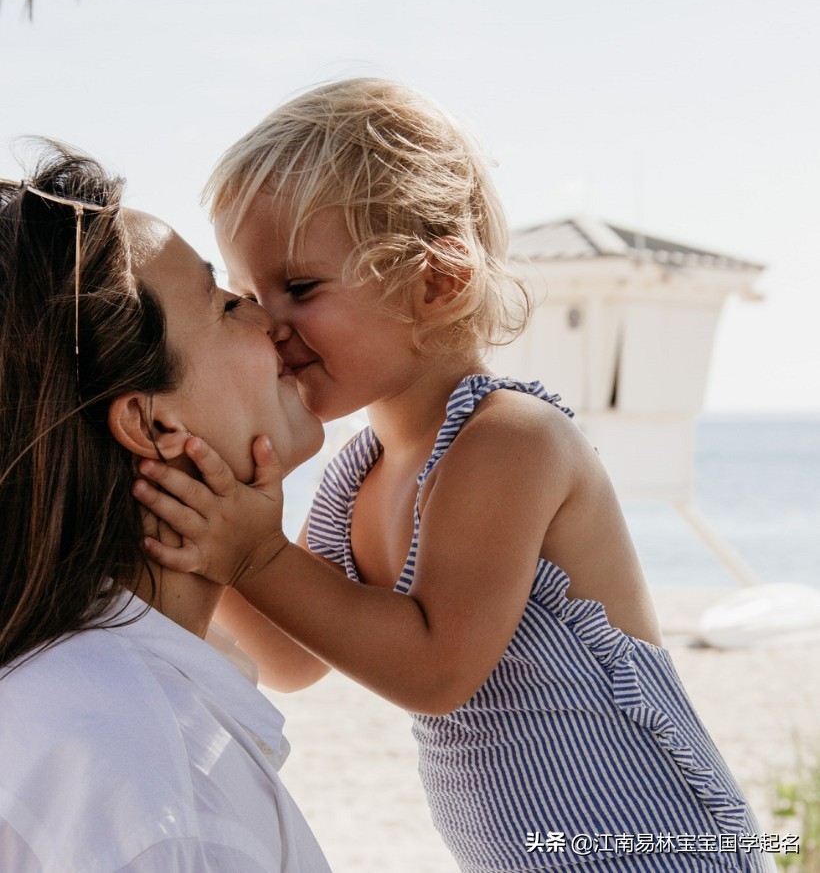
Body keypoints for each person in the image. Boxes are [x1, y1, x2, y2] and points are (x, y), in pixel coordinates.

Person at [138, 79, 774, 872]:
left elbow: (434, 670)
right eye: (249, 295)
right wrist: (212, 530)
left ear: (437, 284)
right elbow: (292, 660)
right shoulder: (358, 474)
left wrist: (253, 553)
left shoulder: (509, 440)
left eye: (300, 288)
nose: (269, 323)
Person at [0, 144, 332, 872]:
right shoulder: (155, 790)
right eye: (223, 303)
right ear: (153, 426)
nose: (268, 316)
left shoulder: (76, 701)